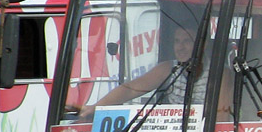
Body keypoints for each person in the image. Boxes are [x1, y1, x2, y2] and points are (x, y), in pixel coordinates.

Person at [79, 25, 230, 118]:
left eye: (187, 41)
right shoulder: (168, 69)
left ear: (202, 45)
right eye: (177, 41)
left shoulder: (220, 74)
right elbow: (130, 90)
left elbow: (221, 117)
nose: (180, 47)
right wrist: (96, 106)